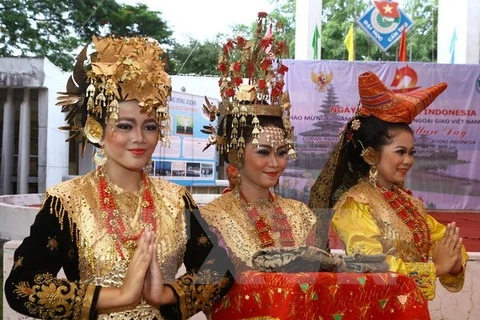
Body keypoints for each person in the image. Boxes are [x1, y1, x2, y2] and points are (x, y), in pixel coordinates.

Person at [4, 35, 233, 319]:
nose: (139, 138)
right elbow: (21, 286)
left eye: (149, 127)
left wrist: (166, 294)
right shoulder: (68, 202)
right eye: (125, 126)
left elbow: (219, 267)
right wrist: (120, 295)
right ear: (95, 129)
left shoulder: (176, 199)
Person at [309, 71, 468, 300]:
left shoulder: (410, 204)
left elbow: (448, 243)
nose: (408, 161)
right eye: (400, 152)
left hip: (414, 308)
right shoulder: (355, 204)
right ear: (372, 154)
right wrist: (437, 268)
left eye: (411, 153)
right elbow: (369, 264)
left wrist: (453, 265)